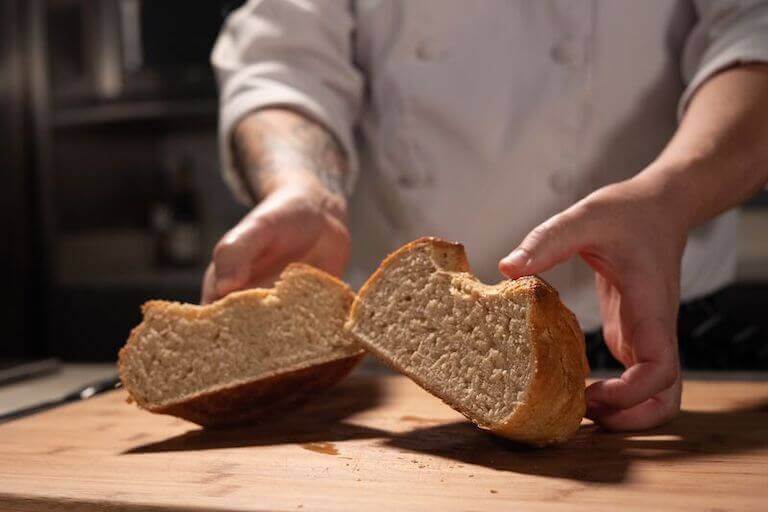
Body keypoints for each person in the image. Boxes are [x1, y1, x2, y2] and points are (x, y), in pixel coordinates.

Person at [203, 1, 768, 431]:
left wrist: (668, 199)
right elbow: (282, 57)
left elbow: (753, 29)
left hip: (655, 324)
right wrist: (303, 186)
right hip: (400, 355)